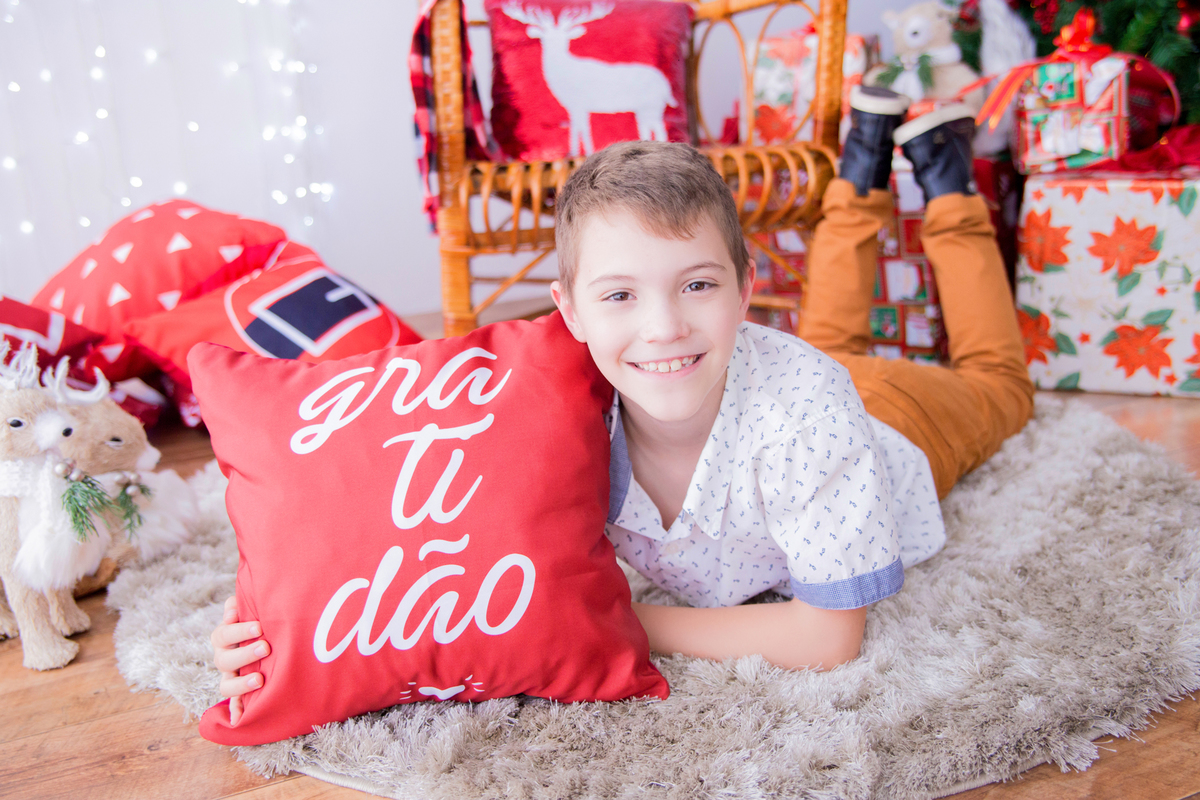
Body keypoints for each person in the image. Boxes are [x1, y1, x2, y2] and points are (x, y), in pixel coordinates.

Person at [212, 86, 1033, 724]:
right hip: (765, 378)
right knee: (812, 338)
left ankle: (948, 180)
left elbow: (825, 637)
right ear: (567, 310)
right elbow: (389, 496)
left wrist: (596, 621)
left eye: (699, 284)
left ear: (748, 291)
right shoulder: (545, 402)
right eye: (620, 295)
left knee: (1000, 383)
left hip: (893, 421)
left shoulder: (807, 410)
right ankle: (860, 165)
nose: (662, 325)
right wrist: (283, 621)